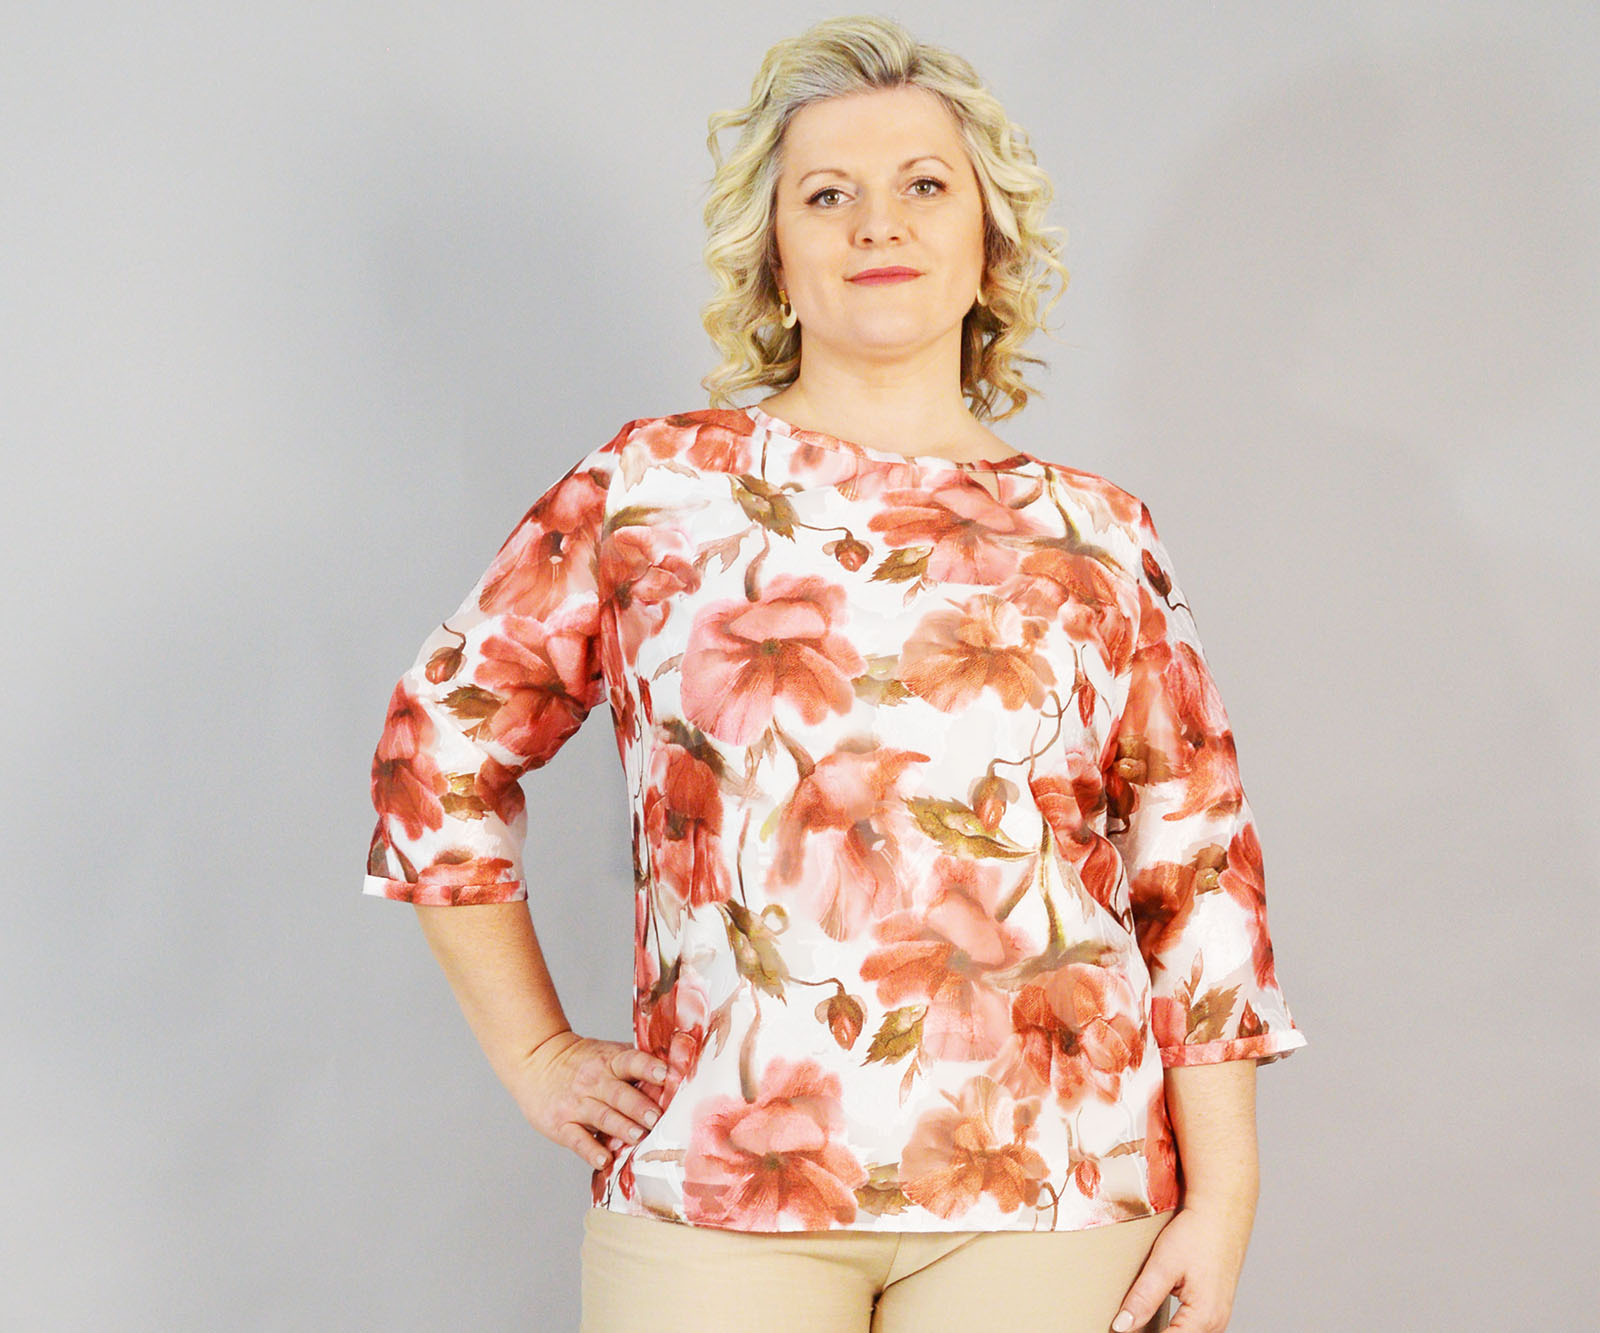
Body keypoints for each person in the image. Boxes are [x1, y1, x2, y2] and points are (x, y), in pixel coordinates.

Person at [362, 15, 1307, 1333]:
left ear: (989, 241)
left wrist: (1229, 1191)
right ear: (774, 254)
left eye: (924, 185)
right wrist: (534, 1051)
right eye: (828, 195)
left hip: (1059, 1190)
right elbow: (441, 746)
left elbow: (1196, 866)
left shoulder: (1096, 534)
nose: (879, 225)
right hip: (716, 1187)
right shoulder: (652, 491)